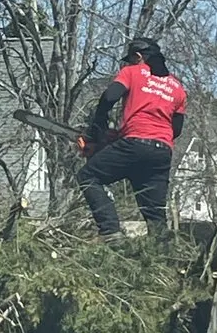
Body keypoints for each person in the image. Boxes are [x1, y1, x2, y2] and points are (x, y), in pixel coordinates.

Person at [77, 38, 187, 243]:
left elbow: (109, 98)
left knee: (88, 176)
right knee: (154, 212)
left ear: (138, 56)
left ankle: (110, 232)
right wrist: (121, 136)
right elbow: (176, 129)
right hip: (162, 151)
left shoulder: (132, 72)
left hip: (135, 144)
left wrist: (97, 131)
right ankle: (162, 253)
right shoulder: (177, 88)